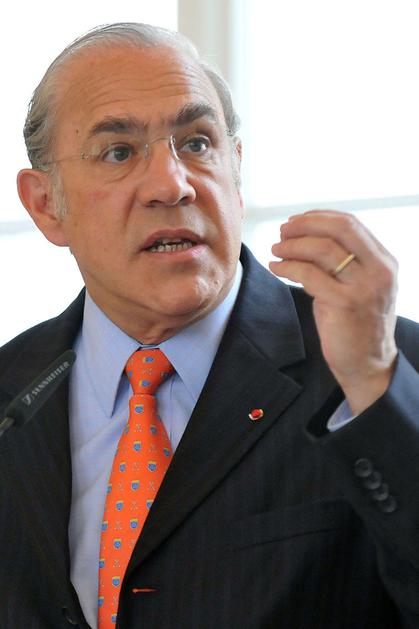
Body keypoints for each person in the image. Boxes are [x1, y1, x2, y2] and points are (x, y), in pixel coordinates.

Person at [0, 22, 418, 629]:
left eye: (196, 143)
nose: (172, 185)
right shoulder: (12, 392)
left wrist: (376, 387)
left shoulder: (386, 367)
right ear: (45, 205)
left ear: (235, 167)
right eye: (119, 152)